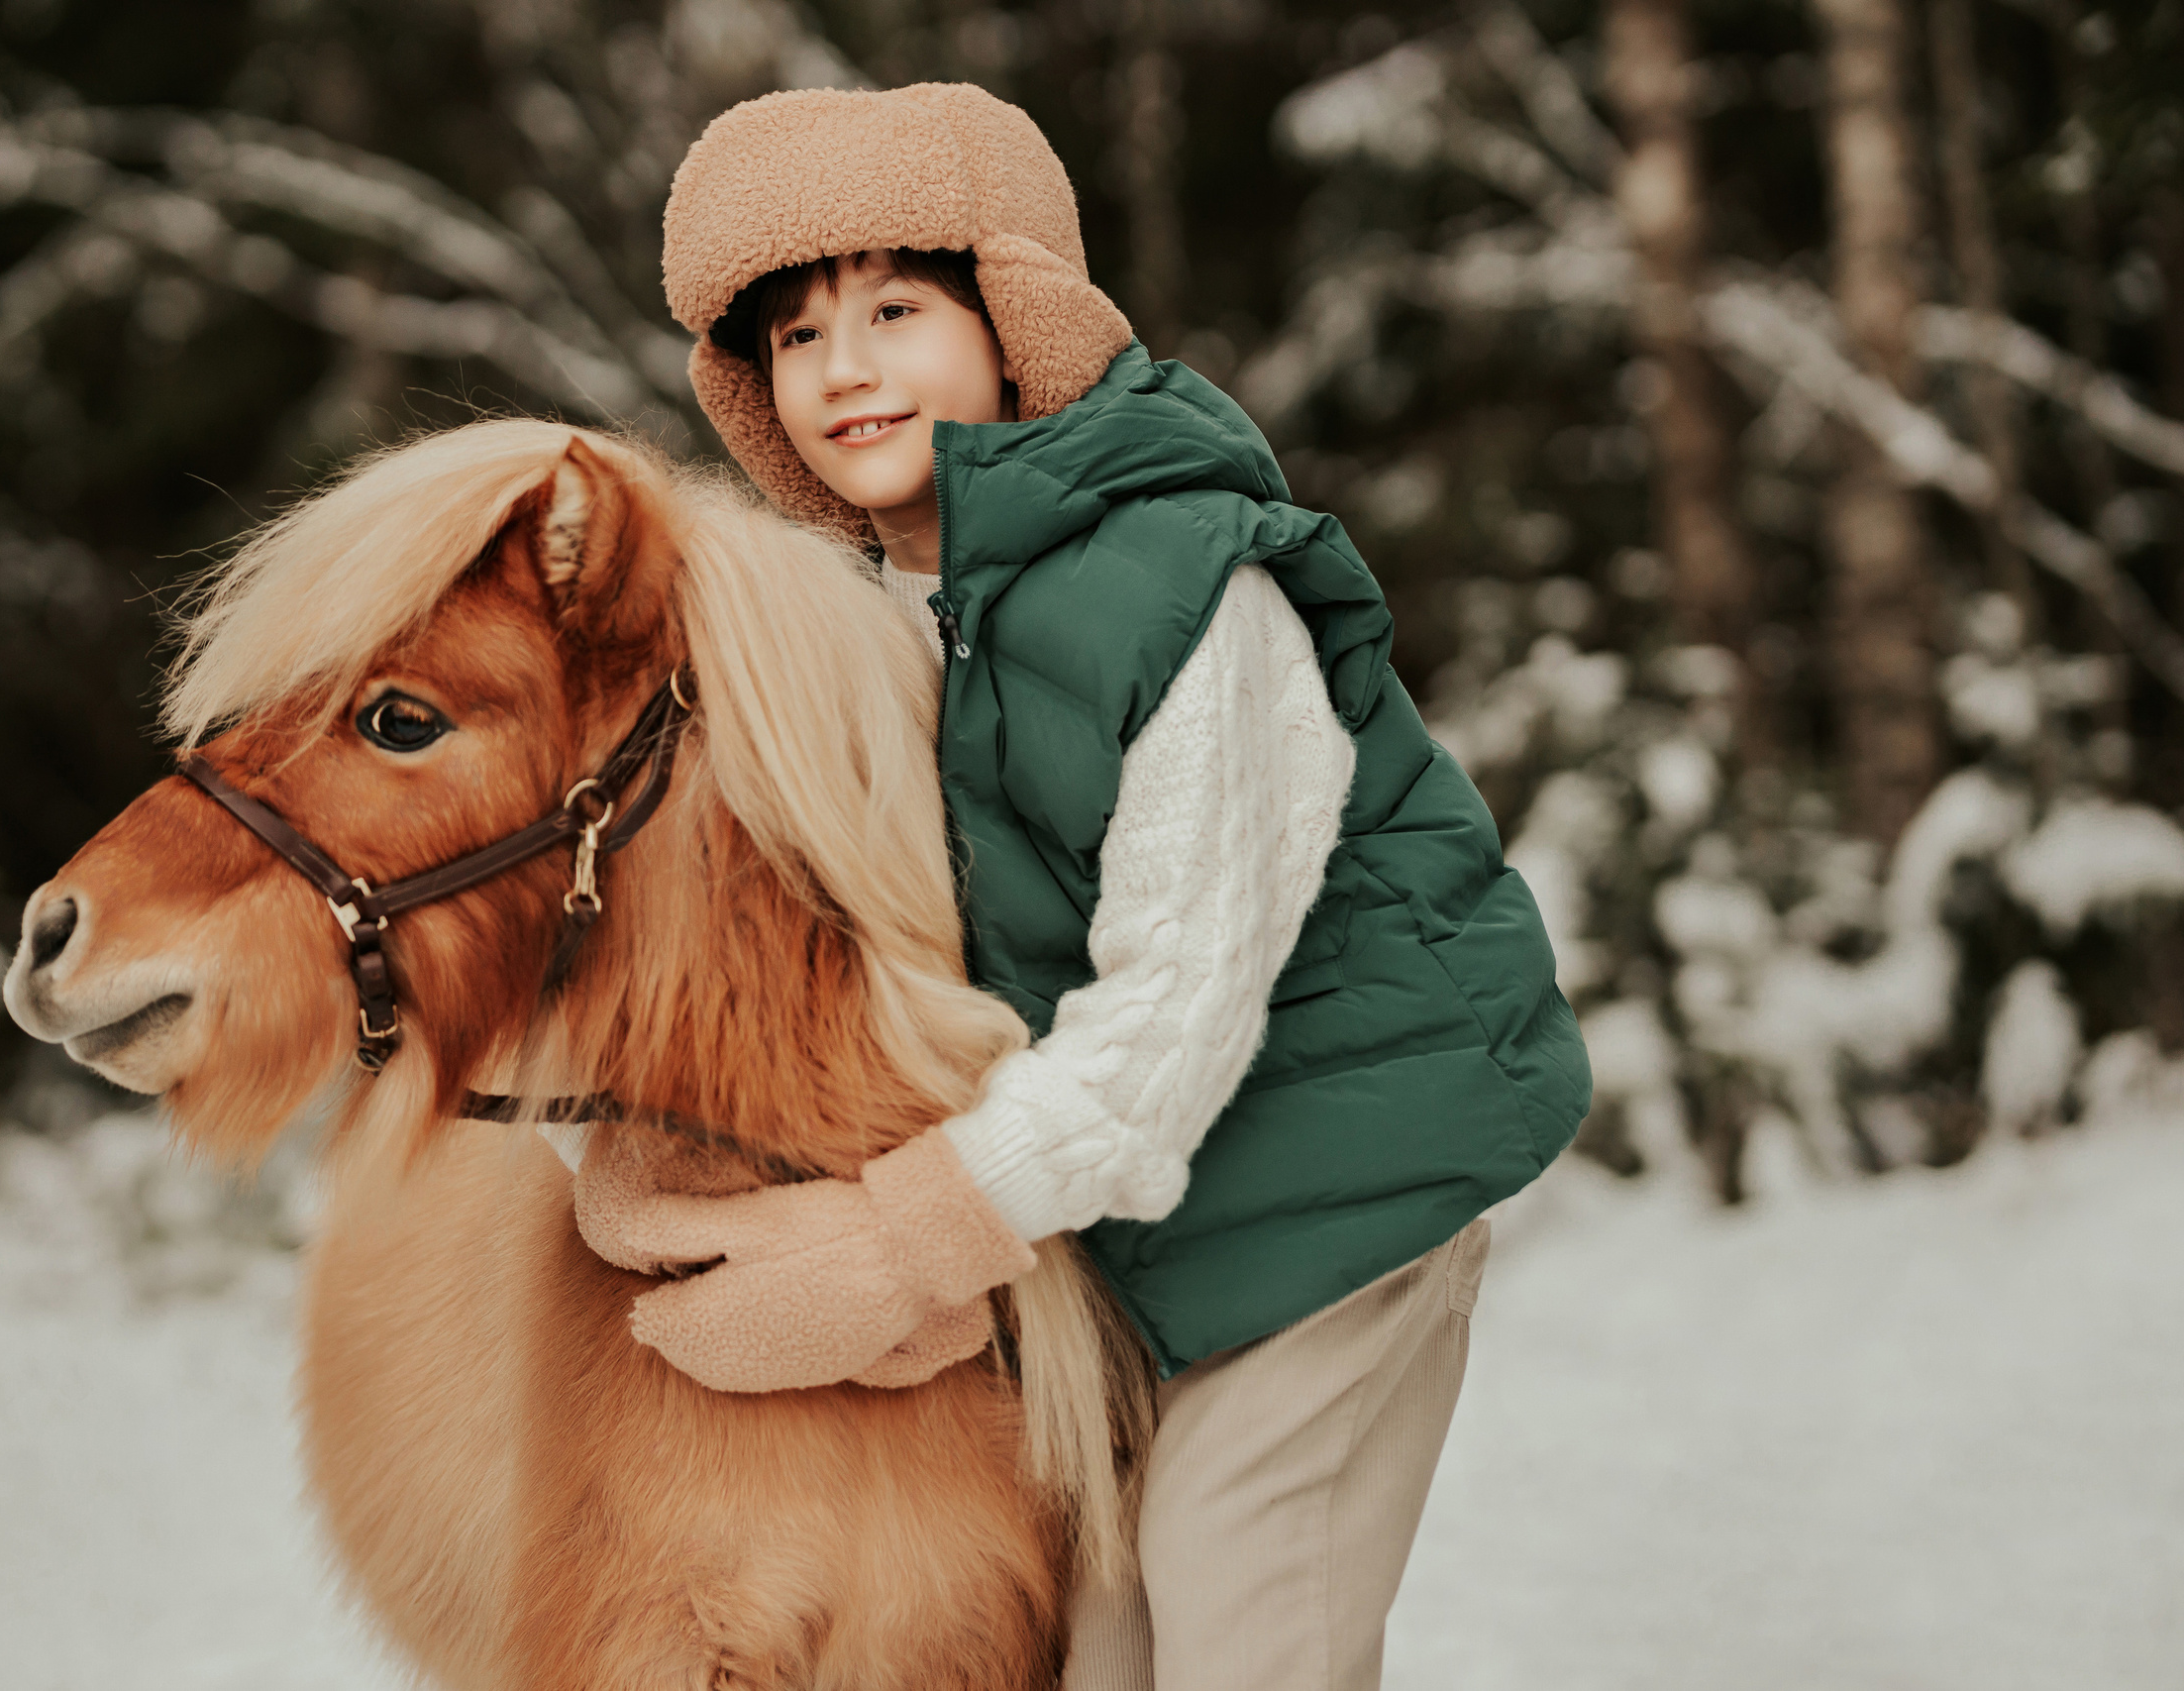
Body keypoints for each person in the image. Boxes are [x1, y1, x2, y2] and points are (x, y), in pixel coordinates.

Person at [567, 82, 1590, 1691]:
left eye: (896, 307)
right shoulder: (862, 634)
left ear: (1016, 315)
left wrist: (899, 1248)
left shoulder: (1184, 584)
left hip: (1341, 1168)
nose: (844, 366)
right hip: (1134, 1230)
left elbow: (1176, 1017)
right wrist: (661, 1141)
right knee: (1091, 1654)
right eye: (794, 337)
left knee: (1239, 1604)